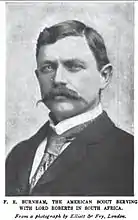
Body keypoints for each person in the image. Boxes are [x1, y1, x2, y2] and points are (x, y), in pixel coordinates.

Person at [6, 20, 134, 196]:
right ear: (38, 77)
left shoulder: (128, 155)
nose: (58, 79)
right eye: (48, 68)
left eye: (74, 66)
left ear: (104, 76)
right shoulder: (19, 155)